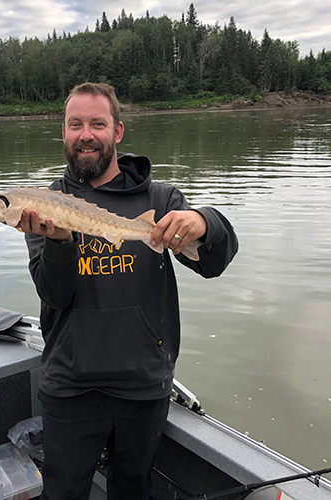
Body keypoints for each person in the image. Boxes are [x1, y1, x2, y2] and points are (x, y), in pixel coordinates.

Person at [20, 83, 238, 500]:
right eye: (75, 125)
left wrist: (205, 220)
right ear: (63, 133)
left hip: (143, 385)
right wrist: (61, 243)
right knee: (62, 493)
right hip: (71, 385)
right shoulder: (44, 204)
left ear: (117, 132)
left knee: (132, 492)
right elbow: (54, 295)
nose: (86, 134)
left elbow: (212, 264)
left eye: (97, 124)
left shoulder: (160, 199)